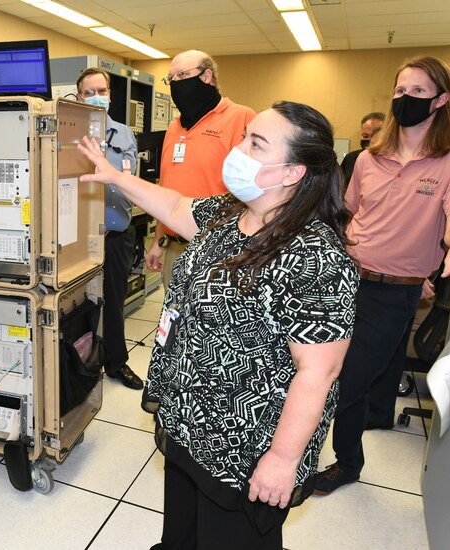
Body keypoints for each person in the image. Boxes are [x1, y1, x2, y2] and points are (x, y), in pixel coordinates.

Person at [78, 101, 358, 549]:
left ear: (292, 173)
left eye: (256, 144)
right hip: (190, 420)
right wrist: (117, 178)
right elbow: (173, 203)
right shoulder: (232, 213)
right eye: (246, 136)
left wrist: (282, 461)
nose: (239, 148)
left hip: (244, 446)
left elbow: (318, 371)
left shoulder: (316, 257)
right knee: (183, 535)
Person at [315, 56, 450, 496]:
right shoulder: (370, 158)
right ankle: (348, 463)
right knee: (331, 370)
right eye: (400, 90)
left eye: (418, 92)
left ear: (441, 100)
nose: (404, 99)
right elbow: (349, 216)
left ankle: (303, 454)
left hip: (393, 295)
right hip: (345, 278)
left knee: (346, 383)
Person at [146, 50, 255, 291]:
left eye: (182, 75)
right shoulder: (174, 127)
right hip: (176, 247)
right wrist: (159, 240)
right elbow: (168, 187)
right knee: (174, 321)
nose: (175, 83)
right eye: (171, 78)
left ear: (207, 77)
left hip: (220, 250)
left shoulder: (242, 117)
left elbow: (255, 189)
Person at [75, 68, 142, 390]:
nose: (96, 96)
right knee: (77, 303)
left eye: (101, 90)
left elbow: (133, 180)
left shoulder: (125, 134)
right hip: (79, 239)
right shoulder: (67, 135)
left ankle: (116, 363)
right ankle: (79, 362)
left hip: (116, 233)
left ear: (110, 95)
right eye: (89, 92)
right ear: (78, 97)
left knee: (113, 302)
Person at [340, 112, 385, 185]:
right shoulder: (350, 159)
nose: (371, 140)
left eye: (376, 136)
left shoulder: (392, 162)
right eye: (365, 136)